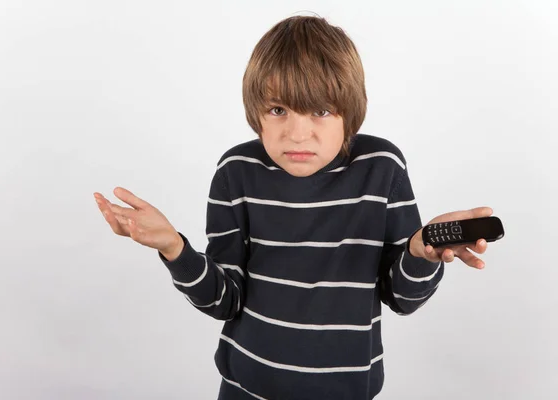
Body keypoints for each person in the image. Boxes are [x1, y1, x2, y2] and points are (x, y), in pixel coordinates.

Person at [94, 15, 492, 400]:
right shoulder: (237, 173)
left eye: (320, 111)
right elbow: (224, 300)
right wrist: (174, 249)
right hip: (245, 387)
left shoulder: (382, 168)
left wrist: (421, 252)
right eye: (278, 110)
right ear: (256, 114)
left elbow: (402, 297)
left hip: (347, 391)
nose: (298, 133)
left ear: (349, 114)